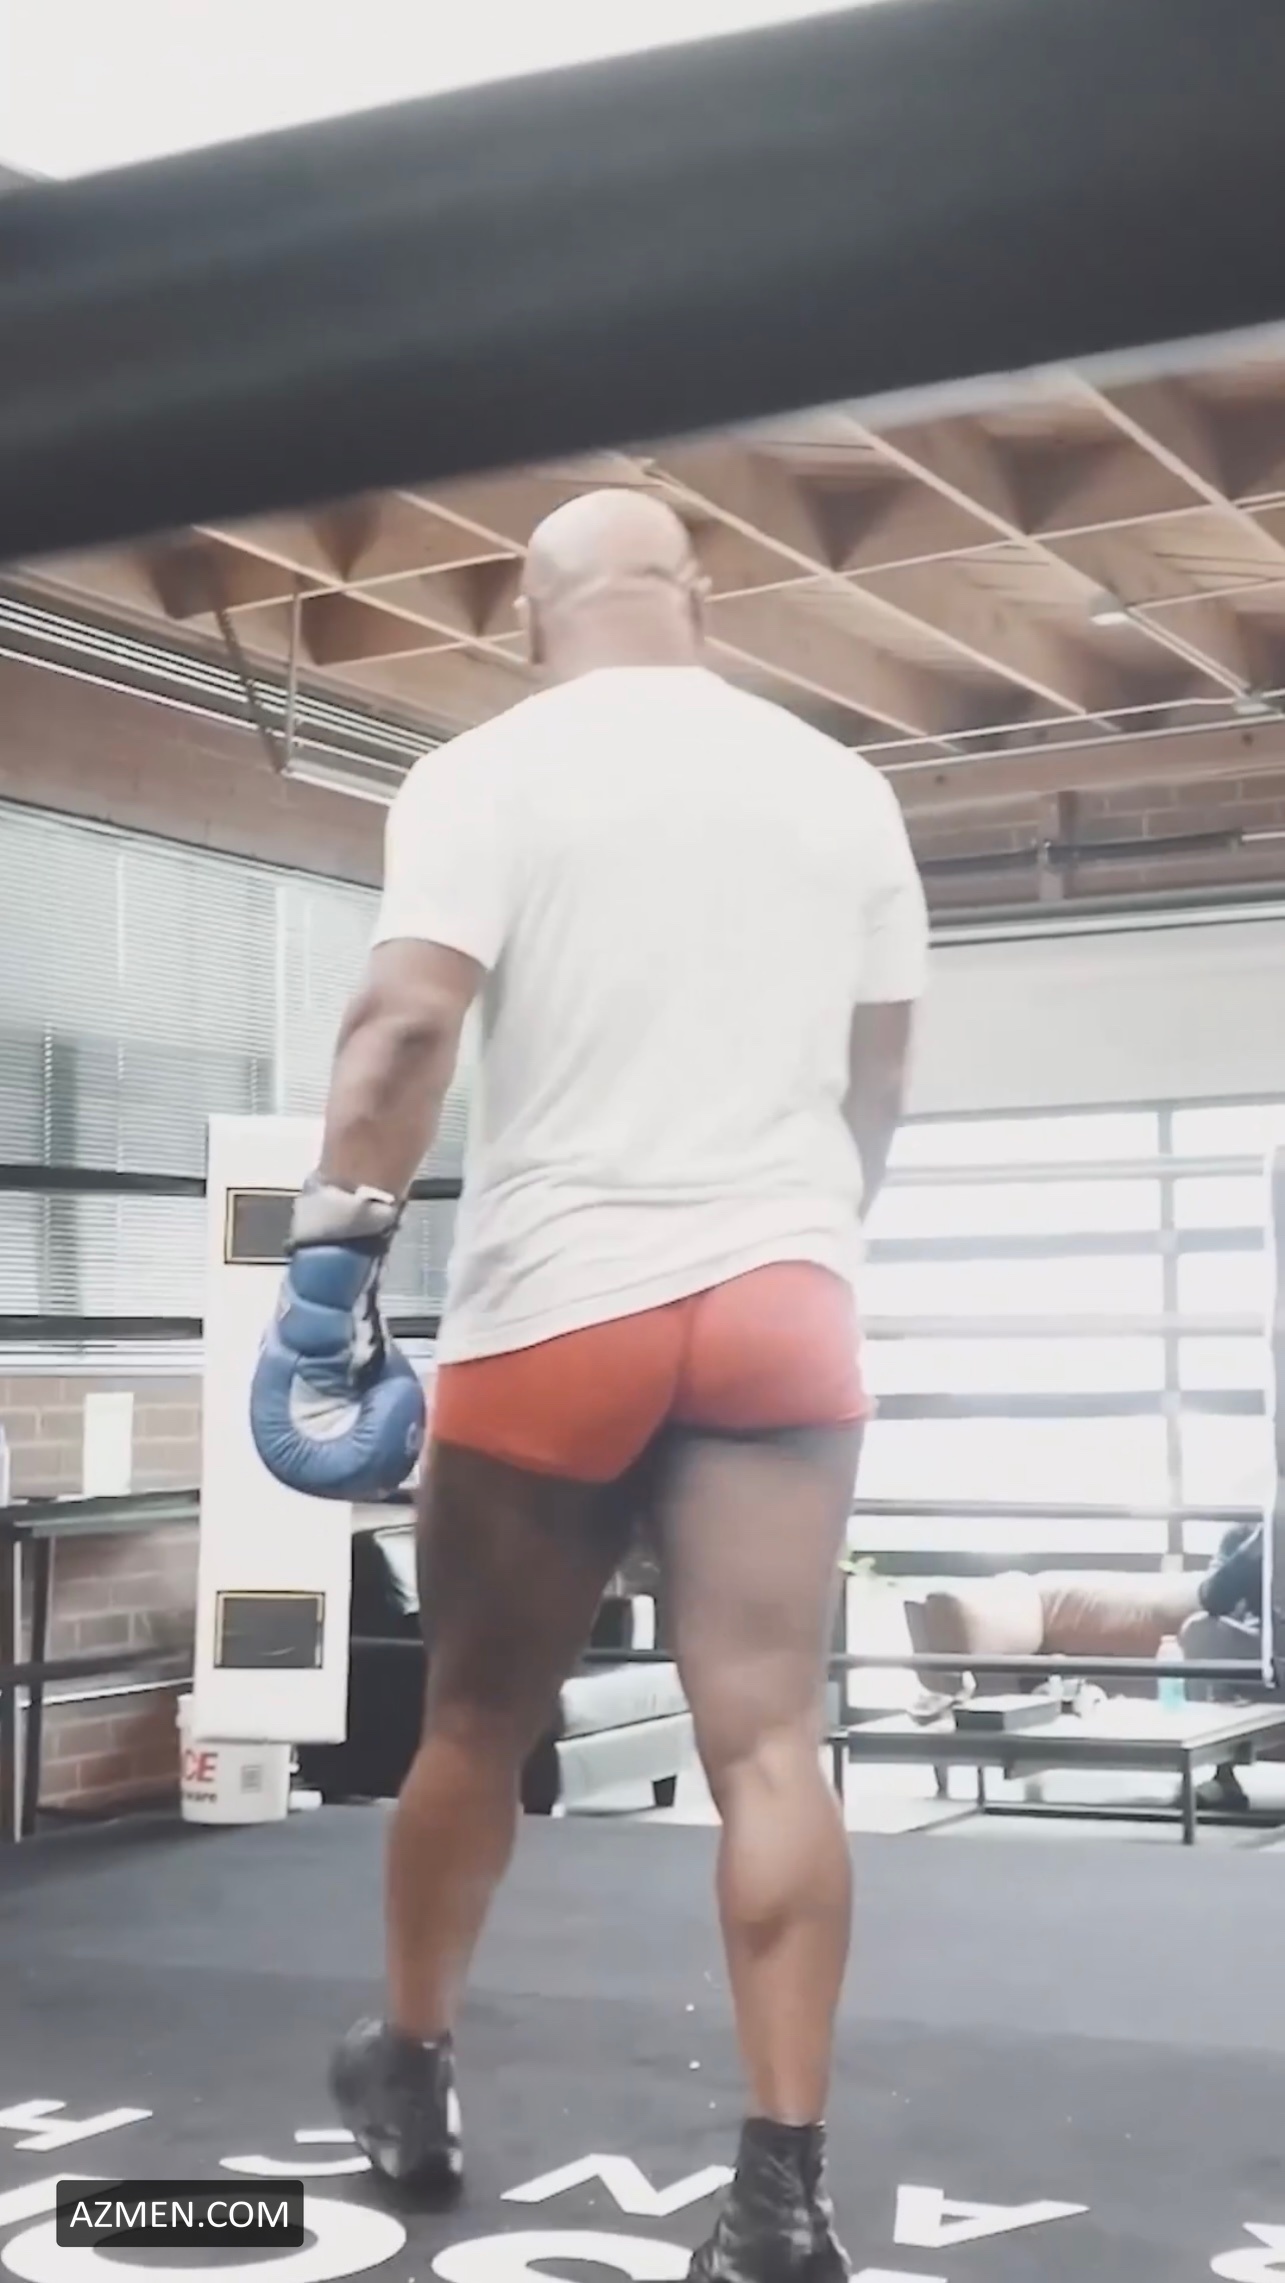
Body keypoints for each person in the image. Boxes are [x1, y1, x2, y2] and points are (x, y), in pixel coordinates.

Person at [250, 489, 929, 2282]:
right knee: (769, 1738)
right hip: (783, 1295)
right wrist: (804, 1235)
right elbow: (878, 1078)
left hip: (559, 1301)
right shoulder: (841, 785)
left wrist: (327, 1272)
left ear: (524, 614)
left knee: (473, 1721)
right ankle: (779, 2199)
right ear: (699, 592)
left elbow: (403, 1028)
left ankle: (410, 2068)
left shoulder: (487, 771)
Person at [1179, 1520, 1266, 1811]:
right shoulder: (1243, 1537)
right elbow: (1212, 1599)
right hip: (1261, 1656)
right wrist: (1252, 1550)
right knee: (1200, 1630)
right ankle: (1221, 1778)